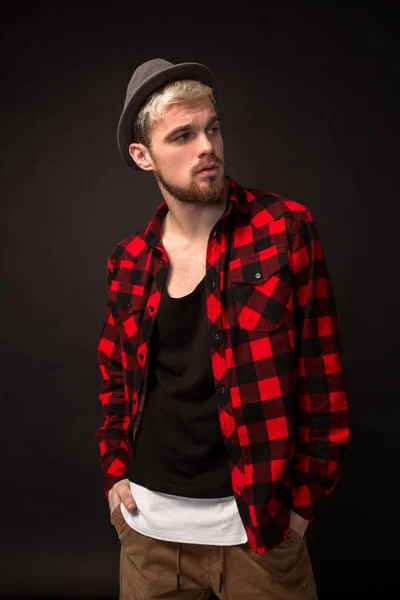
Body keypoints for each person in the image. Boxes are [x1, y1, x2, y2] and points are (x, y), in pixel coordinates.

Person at [95, 57, 351, 599]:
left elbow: (323, 380)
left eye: (212, 128)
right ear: (144, 157)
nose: (206, 146)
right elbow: (116, 380)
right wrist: (116, 476)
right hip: (149, 536)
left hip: (260, 532)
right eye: (182, 136)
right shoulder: (129, 260)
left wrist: (301, 508)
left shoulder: (285, 230)